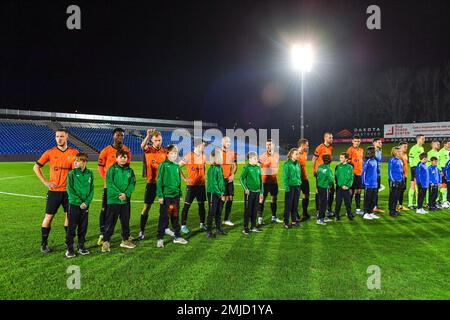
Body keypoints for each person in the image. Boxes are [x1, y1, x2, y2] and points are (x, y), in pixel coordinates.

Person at [33, 128, 78, 253]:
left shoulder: (74, 152)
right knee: (48, 217)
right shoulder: (50, 152)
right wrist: (46, 182)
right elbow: (36, 167)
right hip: (54, 191)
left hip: (68, 192)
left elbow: (76, 172)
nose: (59, 138)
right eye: (57, 136)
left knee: (69, 217)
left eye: (62, 136)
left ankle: (68, 242)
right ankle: (44, 244)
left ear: (67, 137)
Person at [97, 128, 131, 245]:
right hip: (109, 188)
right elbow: (100, 167)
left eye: (122, 135)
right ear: (113, 136)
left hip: (123, 189)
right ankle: (103, 233)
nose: (120, 137)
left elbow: (127, 168)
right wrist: (107, 180)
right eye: (118, 135)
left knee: (124, 212)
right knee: (105, 210)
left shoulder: (127, 150)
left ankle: (125, 235)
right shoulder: (106, 150)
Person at [138, 129, 174, 240]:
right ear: (152, 140)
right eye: (156, 140)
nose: (158, 142)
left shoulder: (165, 151)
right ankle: (141, 231)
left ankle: (166, 228)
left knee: (165, 207)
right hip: (151, 184)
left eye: (159, 140)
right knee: (146, 207)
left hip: (163, 184)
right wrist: (148, 136)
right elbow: (142, 145)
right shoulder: (149, 150)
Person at [102, 150, 136, 252]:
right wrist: (119, 194)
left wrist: (126, 194)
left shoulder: (130, 171)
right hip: (113, 200)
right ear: (116, 158)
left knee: (125, 221)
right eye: (121, 157)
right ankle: (106, 241)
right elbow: (110, 184)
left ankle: (125, 240)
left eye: (125, 157)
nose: (123, 159)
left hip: (125, 200)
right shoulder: (111, 169)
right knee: (110, 222)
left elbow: (132, 184)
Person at [156, 145, 188, 248]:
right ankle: (160, 239)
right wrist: (160, 196)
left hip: (175, 197)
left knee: (175, 217)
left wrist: (180, 194)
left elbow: (178, 182)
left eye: (175, 153)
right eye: (172, 153)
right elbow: (159, 181)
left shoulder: (176, 166)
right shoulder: (163, 165)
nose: (174, 155)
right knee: (164, 218)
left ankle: (177, 237)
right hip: (166, 197)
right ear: (167, 154)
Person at [65, 153, 94, 258]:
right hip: (74, 204)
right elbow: (69, 189)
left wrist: (86, 202)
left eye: (77, 161)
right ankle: (69, 248)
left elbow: (92, 189)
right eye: (74, 161)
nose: (75, 162)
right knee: (71, 227)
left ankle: (81, 246)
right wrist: (79, 201)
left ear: (84, 162)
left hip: (85, 205)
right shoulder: (71, 174)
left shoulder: (90, 173)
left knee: (83, 227)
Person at [179, 139, 207, 234]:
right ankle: (183, 225)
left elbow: (204, 168)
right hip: (192, 186)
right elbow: (177, 167)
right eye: (203, 145)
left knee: (201, 206)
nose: (204, 147)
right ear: (198, 146)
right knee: (187, 206)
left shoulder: (204, 156)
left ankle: (202, 223)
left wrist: (204, 176)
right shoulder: (188, 156)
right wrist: (185, 179)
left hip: (201, 186)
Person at [258, 139, 282, 224]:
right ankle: (260, 218)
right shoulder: (262, 157)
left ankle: (273, 217)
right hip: (264, 181)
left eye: (270, 144)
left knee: (274, 198)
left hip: (274, 181)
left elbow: (277, 166)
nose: (268, 146)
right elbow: (259, 168)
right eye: (267, 145)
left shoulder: (277, 156)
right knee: (262, 199)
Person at [241, 152, 264, 235]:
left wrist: (261, 192)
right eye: (255, 158)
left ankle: (253, 226)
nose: (256, 160)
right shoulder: (247, 168)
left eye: (256, 158)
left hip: (257, 192)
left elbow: (261, 181)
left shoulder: (258, 168)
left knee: (255, 210)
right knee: (248, 210)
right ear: (250, 159)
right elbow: (241, 178)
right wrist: (245, 188)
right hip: (249, 193)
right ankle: (245, 228)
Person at [312, 132, 334, 217]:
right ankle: (318, 210)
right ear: (325, 138)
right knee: (319, 191)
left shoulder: (331, 148)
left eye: (332, 137)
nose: (331, 139)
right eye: (330, 137)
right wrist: (314, 170)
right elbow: (314, 159)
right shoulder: (320, 147)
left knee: (331, 190)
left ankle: (328, 209)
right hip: (321, 173)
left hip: (327, 173)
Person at [206, 149, 226, 238]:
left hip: (219, 193)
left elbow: (221, 181)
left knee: (219, 211)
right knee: (212, 212)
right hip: (212, 193)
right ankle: (209, 231)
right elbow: (214, 184)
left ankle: (218, 229)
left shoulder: (219, 167)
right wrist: (220, 194)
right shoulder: (213, 168)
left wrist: (223, 192)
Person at [283, 148, 302, 228]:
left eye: (298, 154)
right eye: (296, 154)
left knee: (295, 205)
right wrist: (287, 188)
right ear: (291, 155)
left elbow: (299, 175)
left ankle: (294, 221)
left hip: (297, 186)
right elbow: (285, 177)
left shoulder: (298, 164)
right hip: (290, 187)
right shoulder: (287, 164)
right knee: (288, 206)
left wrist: (299, 183)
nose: (298, 155)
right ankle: (286, 222)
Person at [221, 136, 238, 226]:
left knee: (230, 198)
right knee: (222, 199)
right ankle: (217, 219)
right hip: (221, 180)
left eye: (229, 141)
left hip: (229, 179)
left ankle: (226, 219)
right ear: (222, 143)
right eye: (226, 141)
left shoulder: (233, 153)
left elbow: (235, 165)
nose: (228, 143)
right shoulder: (217, 153)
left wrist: (232, 174)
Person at [334, 153, 355, 221]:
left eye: (342, 157)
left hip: (347, 188)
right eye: (340, 157)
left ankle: (349, 214)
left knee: (348, 203)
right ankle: (336, 215)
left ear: (346, 159)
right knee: (338, 202)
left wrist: (347, 186)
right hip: (339, 188)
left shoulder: (350, 167)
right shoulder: (338, 166)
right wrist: (341, 185)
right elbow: (336, 177)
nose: (340, 159)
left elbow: (351, 178)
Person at [347, 136, 364, 215]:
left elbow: (361, 161)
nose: (357, 142)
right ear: (352, 141)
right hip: (353, 174)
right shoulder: (350, 150)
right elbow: (347, 161)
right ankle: (348, 210)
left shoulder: (361, 150)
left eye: (358, 141)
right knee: (351, 192)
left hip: (359, 174)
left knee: (358, 191)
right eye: (355, 141)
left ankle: (358, 209)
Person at [408, 134, 425, 209]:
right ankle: (410, 204)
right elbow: (410, 160)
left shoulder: (422, 148)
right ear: (418, 139)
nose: (424, 140)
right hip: (415, 169)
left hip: (420, 169)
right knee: (413, 186)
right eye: (422, 139)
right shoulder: (413, 148)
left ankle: (417, 203)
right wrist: (414, 169)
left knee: (419, 186)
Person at [362, 147, 379, 220]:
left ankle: (371, 212)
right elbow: (364, 173)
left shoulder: (375, 161)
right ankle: (366, 213)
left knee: (373, 199)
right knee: (367, 199)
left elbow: (376, 172)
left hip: (374, 184)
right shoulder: (367, 161)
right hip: (368, 184)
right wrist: (364, 182)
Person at [316, 154, 334, 225]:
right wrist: (329, 186)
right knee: (324, 204)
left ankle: (322, 217)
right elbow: (331, 180)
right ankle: (320, 219)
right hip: (324, 188)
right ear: (329, 160)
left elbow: (317, 177)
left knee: (321, 203)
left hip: (319, 187)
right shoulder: (328, 169)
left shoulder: (320, 167)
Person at [388, 147, 405, 218]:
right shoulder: (392, 160)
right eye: (398, 152)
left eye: (400, 151)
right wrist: (393, 181)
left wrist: (403, 180)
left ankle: (394, 209)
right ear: (395, 152)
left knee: (397, 197)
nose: (400, 153)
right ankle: (391, 211)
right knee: (393, 197)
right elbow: (390, 172)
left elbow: (401, 172)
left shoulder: (400, 160)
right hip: (394, 181)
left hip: (400, 181)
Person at [297, 138, 311, 221]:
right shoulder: (296, 154)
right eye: (307, 145)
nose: (308, 146)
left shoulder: (305, 152)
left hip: (305, 178)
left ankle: (305, 213)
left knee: (306, 195)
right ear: (302, 145)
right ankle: (296, 214)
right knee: (296, 197)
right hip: (298, 179)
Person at [372, 138, 384, 213]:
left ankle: (374, 206)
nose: (381, 144)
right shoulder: (371, 152)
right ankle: (372, 207)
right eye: (379, 142)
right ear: (374, 143)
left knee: (376, 191)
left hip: (378, 174)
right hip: (373, 175)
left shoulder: (380, 151)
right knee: (372, 191)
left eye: (381, 142)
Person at [397, 141, 409, 211]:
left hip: (405, 175)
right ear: (400, 147)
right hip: (400, 176)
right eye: (404, 146)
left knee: (402, 191)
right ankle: (396, 205)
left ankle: (400, 205)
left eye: (406, 147)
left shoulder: (405, 155)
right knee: (398, 191)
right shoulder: (399, 155)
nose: (406, 148)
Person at [438, 140, 450, 205]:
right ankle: (444, 200)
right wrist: (441, 171)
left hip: (449, 169)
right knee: (444, 185)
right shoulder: (441, 152)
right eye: (448, 144)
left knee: (448, 185)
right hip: (443, 169)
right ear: (444, 144)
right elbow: (438, 162)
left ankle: (447, 199)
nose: (449, 145)